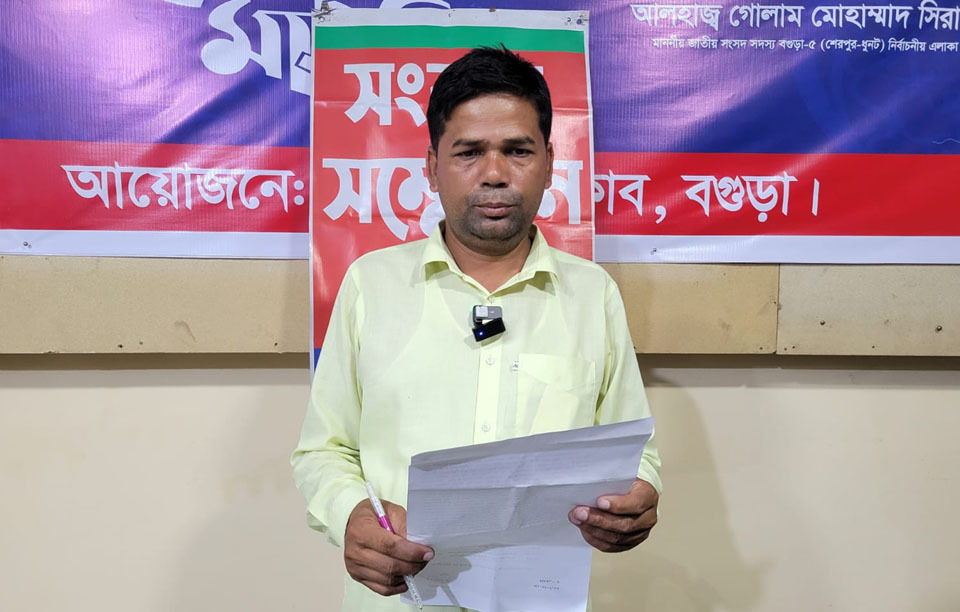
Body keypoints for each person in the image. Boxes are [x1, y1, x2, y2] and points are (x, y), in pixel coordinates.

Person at [292, 45, 661, 611]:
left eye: (517, 151)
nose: (494, 173)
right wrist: (351, 516)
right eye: (469, 152)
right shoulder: (371, 285)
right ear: (431, 165)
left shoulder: (593, 296)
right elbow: (324, 449)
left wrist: (638, 498)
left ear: (549, 162)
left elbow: (634, 454)